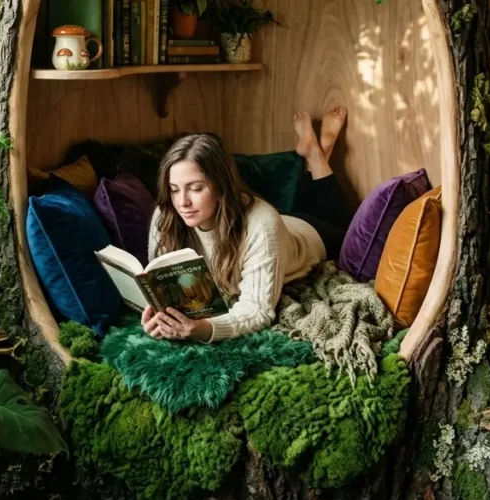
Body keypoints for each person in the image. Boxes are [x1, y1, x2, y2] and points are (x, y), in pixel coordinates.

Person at [142, 107, 352, 343]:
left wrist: (203, 329)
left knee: (344, 225)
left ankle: (316, 154)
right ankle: (318, 152)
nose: (182, 202)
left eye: (196, 188)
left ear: (221, 186)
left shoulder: (262, 223)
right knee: (294, 207)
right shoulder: (166, 213)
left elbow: (258, 310)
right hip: (266, 224)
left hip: (308, 235)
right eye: (174, 189)